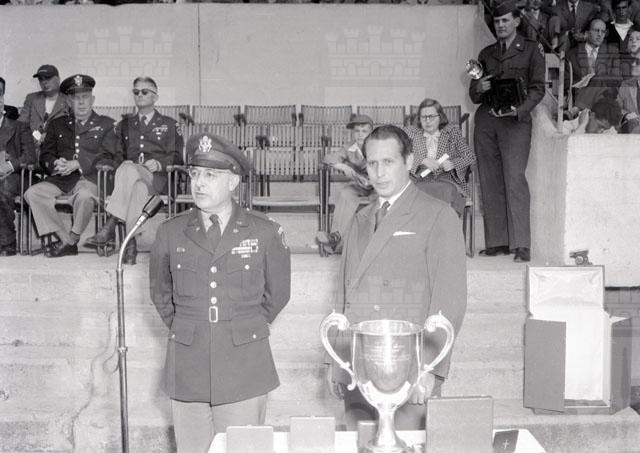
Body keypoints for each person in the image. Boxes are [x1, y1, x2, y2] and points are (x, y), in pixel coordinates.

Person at [149, 133, 291, 453]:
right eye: (195, 174)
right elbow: (160, 293)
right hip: (188, 363)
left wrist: (244, 325)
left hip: (244, 364)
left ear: (233, 181)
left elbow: (278, 294)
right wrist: (190, 325)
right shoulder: (170, 232)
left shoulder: (265, 231)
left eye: (210, 175)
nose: (199, 183)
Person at [325, 125, 467, 430]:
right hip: (358, 365)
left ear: (409, 161)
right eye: (372, 163)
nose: (379, 173)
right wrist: (337, 361)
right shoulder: (360, 218)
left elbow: (449, 300)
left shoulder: (438, 215)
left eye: (388, 162)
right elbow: (345, 295)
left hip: (408, 369)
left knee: (406, 445)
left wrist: (430, 368)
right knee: (360, 445)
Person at [470, 0, 546, 263]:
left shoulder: (531, 49)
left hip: (515, 123)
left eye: (505, 20)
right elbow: (474, 94)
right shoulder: (486, 53)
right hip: (487, 122)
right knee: (489, 180)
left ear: (516, 21)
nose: (500, 25)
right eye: (497, 21)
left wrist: (519, 110)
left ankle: (521, 243)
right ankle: (497, 241)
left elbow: (538, 88)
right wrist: (479, 88)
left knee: (515, 180)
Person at [85, 77, 183, 264]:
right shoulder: (124, 125)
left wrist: (160, 163)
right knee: (136, 186)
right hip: (131, 180)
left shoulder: (170, 125)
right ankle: (130, 246)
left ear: (155, 97)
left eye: (144, 92)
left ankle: (110, 224)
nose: (139, 95)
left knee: (129, 171)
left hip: (158, 180)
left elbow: (178, 156)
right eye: (136, 92)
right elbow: (111, 154)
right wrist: (116, 164)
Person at [24, 74, 120, 258]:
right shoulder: (57, 124)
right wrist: (55, 163)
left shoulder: (107, 124)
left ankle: (72, 239)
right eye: (76, 98)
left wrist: (79, 162)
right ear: (68, 101)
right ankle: (67, 241)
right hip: (62, 178)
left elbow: (110, 155)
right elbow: (46, 154)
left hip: (92, 178)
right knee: (32, 193)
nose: (81, 102)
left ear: (93, 99)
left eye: (85, 97)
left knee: (84, 196)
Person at [315, 114, 374, 256]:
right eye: (357, 131)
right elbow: (328, 158)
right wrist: (344, 167)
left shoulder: (379, 146)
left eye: (364, 131)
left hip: (378, 186)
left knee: (380, 202)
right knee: (345, 194)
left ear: (371, 132)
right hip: (359, 185)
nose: (360, 135)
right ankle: (336, 236)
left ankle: (375, 243)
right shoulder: (349, 147)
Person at [405, 98, 475, 215]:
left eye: (431, 116)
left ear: (440, 117)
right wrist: (421, 160)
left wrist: (453, 163)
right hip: (419, 180)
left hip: (445, 180)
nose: (427, 121)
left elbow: (470, 156)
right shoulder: (410, 133)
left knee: (447, 193)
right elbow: (399, 154)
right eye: (423, 117)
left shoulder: (452, 132)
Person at [0, 77, 36, 256]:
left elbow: (30, 156)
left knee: (3, 188)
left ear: (2, 98)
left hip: (14, 176)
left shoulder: (19, 126)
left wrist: (9, 165)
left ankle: (7, 242)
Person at [18, 65, 68, 150]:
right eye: (41, 79)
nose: (44, 82)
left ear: (58, 79)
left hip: (57, 151)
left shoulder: (69, 100)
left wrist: (50, 136)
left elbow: (73, 129)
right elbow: (20, 126)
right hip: (32, 150)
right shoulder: (31, 98)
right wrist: (34, 140)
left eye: (48, 78)